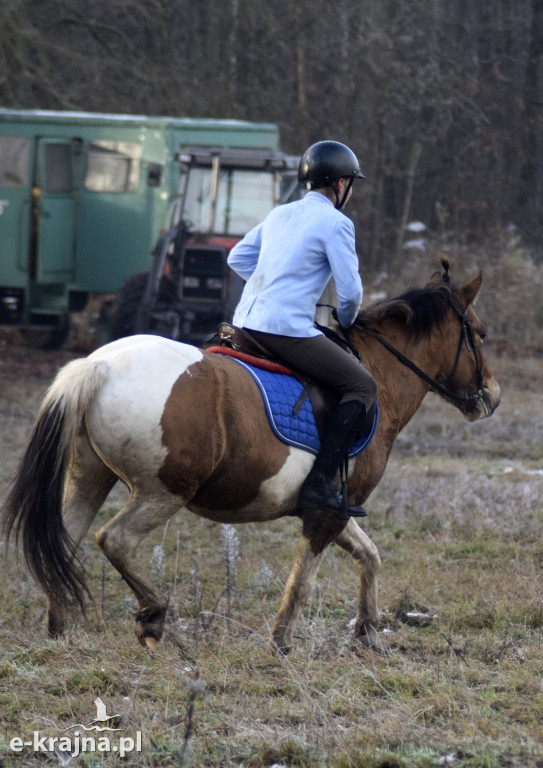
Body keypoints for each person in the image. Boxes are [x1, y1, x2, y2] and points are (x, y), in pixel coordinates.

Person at [227, 140, 378, 518]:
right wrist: (345, 319)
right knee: (363, 386)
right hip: (284, 331)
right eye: (349, 183)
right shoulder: (337, 223)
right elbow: (351, 292)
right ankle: (320, 484)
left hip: (245, 321)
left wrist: (271, 284)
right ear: (341, 184)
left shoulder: (281, 213)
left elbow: (237, 257)